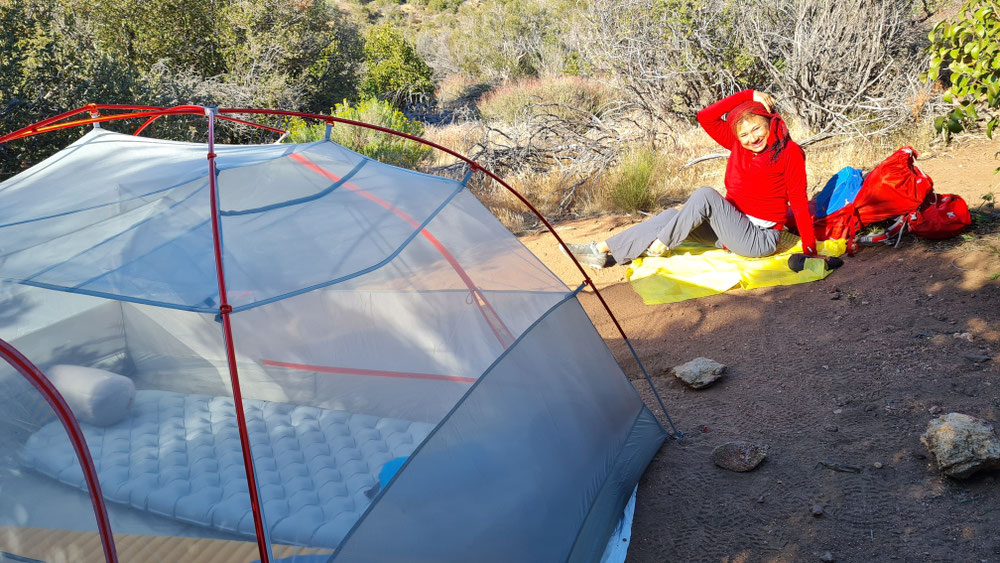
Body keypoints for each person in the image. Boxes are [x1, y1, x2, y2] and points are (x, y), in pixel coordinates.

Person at [566, 90, 817, 269]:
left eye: (757, 128)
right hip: (729, 228)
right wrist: (747, 95)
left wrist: (810, 250)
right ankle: (600, 251)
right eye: (744, 134)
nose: (752, 138)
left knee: (706, 194)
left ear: (770, 123)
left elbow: (797, 199)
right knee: (668, 216)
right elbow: (705, 117)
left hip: (757, 238)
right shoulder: (738, 145)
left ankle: (664, 242)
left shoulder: (788, 151)